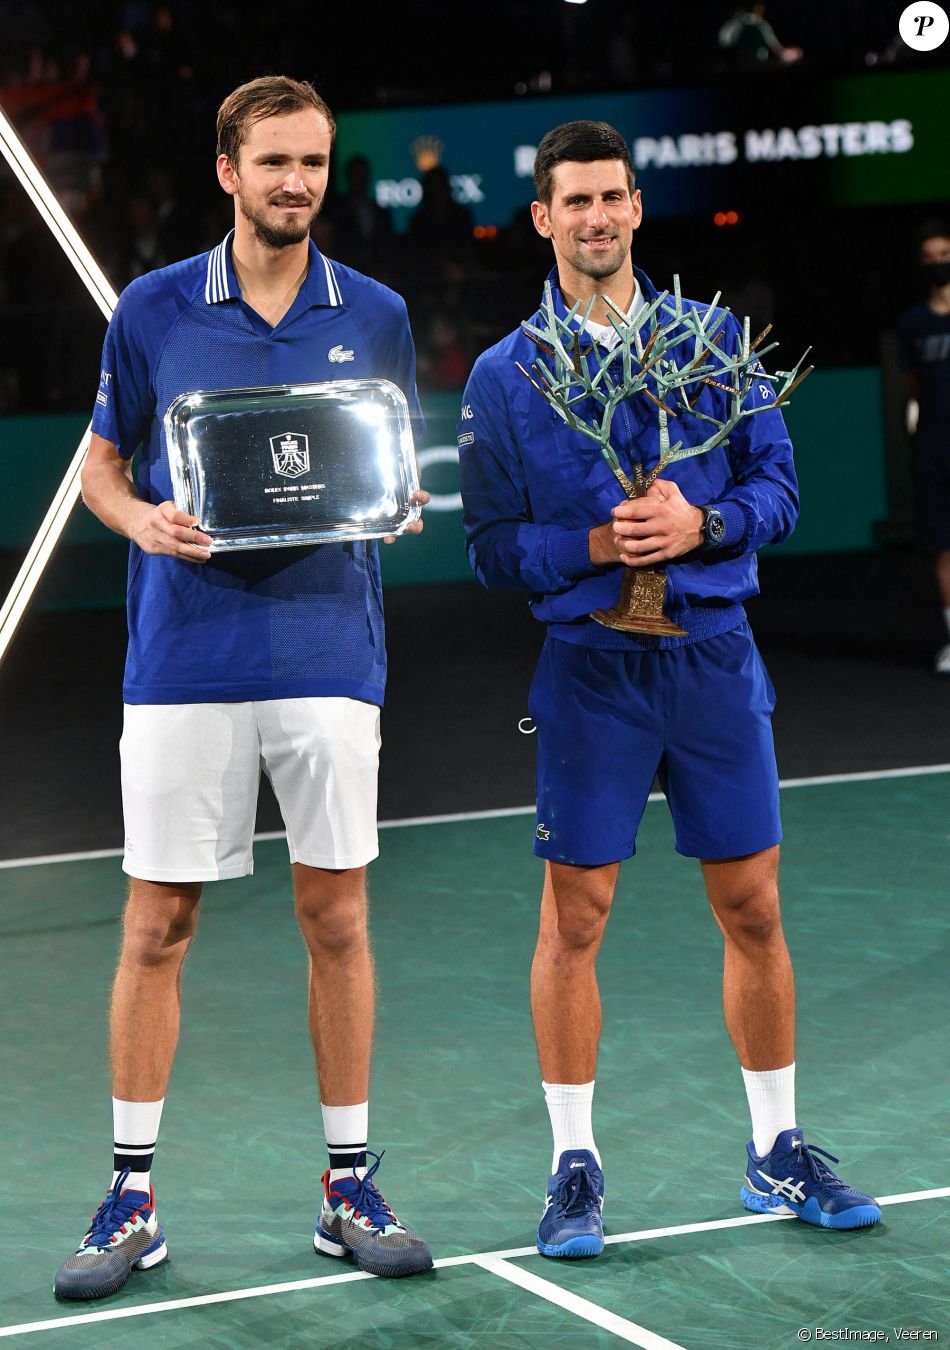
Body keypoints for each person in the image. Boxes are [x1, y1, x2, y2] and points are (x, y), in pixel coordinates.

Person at [457, 120, 881, 1260]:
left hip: (710, 659)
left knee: (752, 905)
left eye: (612, 197)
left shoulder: (716, 341)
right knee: (575, 918)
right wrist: (594, 543)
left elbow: (778, 491)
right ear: (541, 219)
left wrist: (707, 521)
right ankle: (572, 1167)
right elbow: (491, 547)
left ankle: (774, 1149)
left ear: (636, 208)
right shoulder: (506, 376)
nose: (594, 217)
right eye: (572, 201)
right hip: (591, 672)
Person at [53, 75, 432, 1301]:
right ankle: (129, 1197)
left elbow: (387, 457)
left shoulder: (371, 311)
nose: (295, 184)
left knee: (336, 920)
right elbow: (101, 468)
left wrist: (400, 503)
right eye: (273, 162)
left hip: (329, 655)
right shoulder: (154, 310)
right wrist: (140, 523)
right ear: (227, 170)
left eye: (313, 163)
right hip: (183, 660)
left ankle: (348, 1187)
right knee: (158, 926)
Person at [896, 220, 950, 674]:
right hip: (934, 445)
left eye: (944, 255)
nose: (938, 264)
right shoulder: (912, 325)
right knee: (942, 545)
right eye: (930, 258)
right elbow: (913, 385)